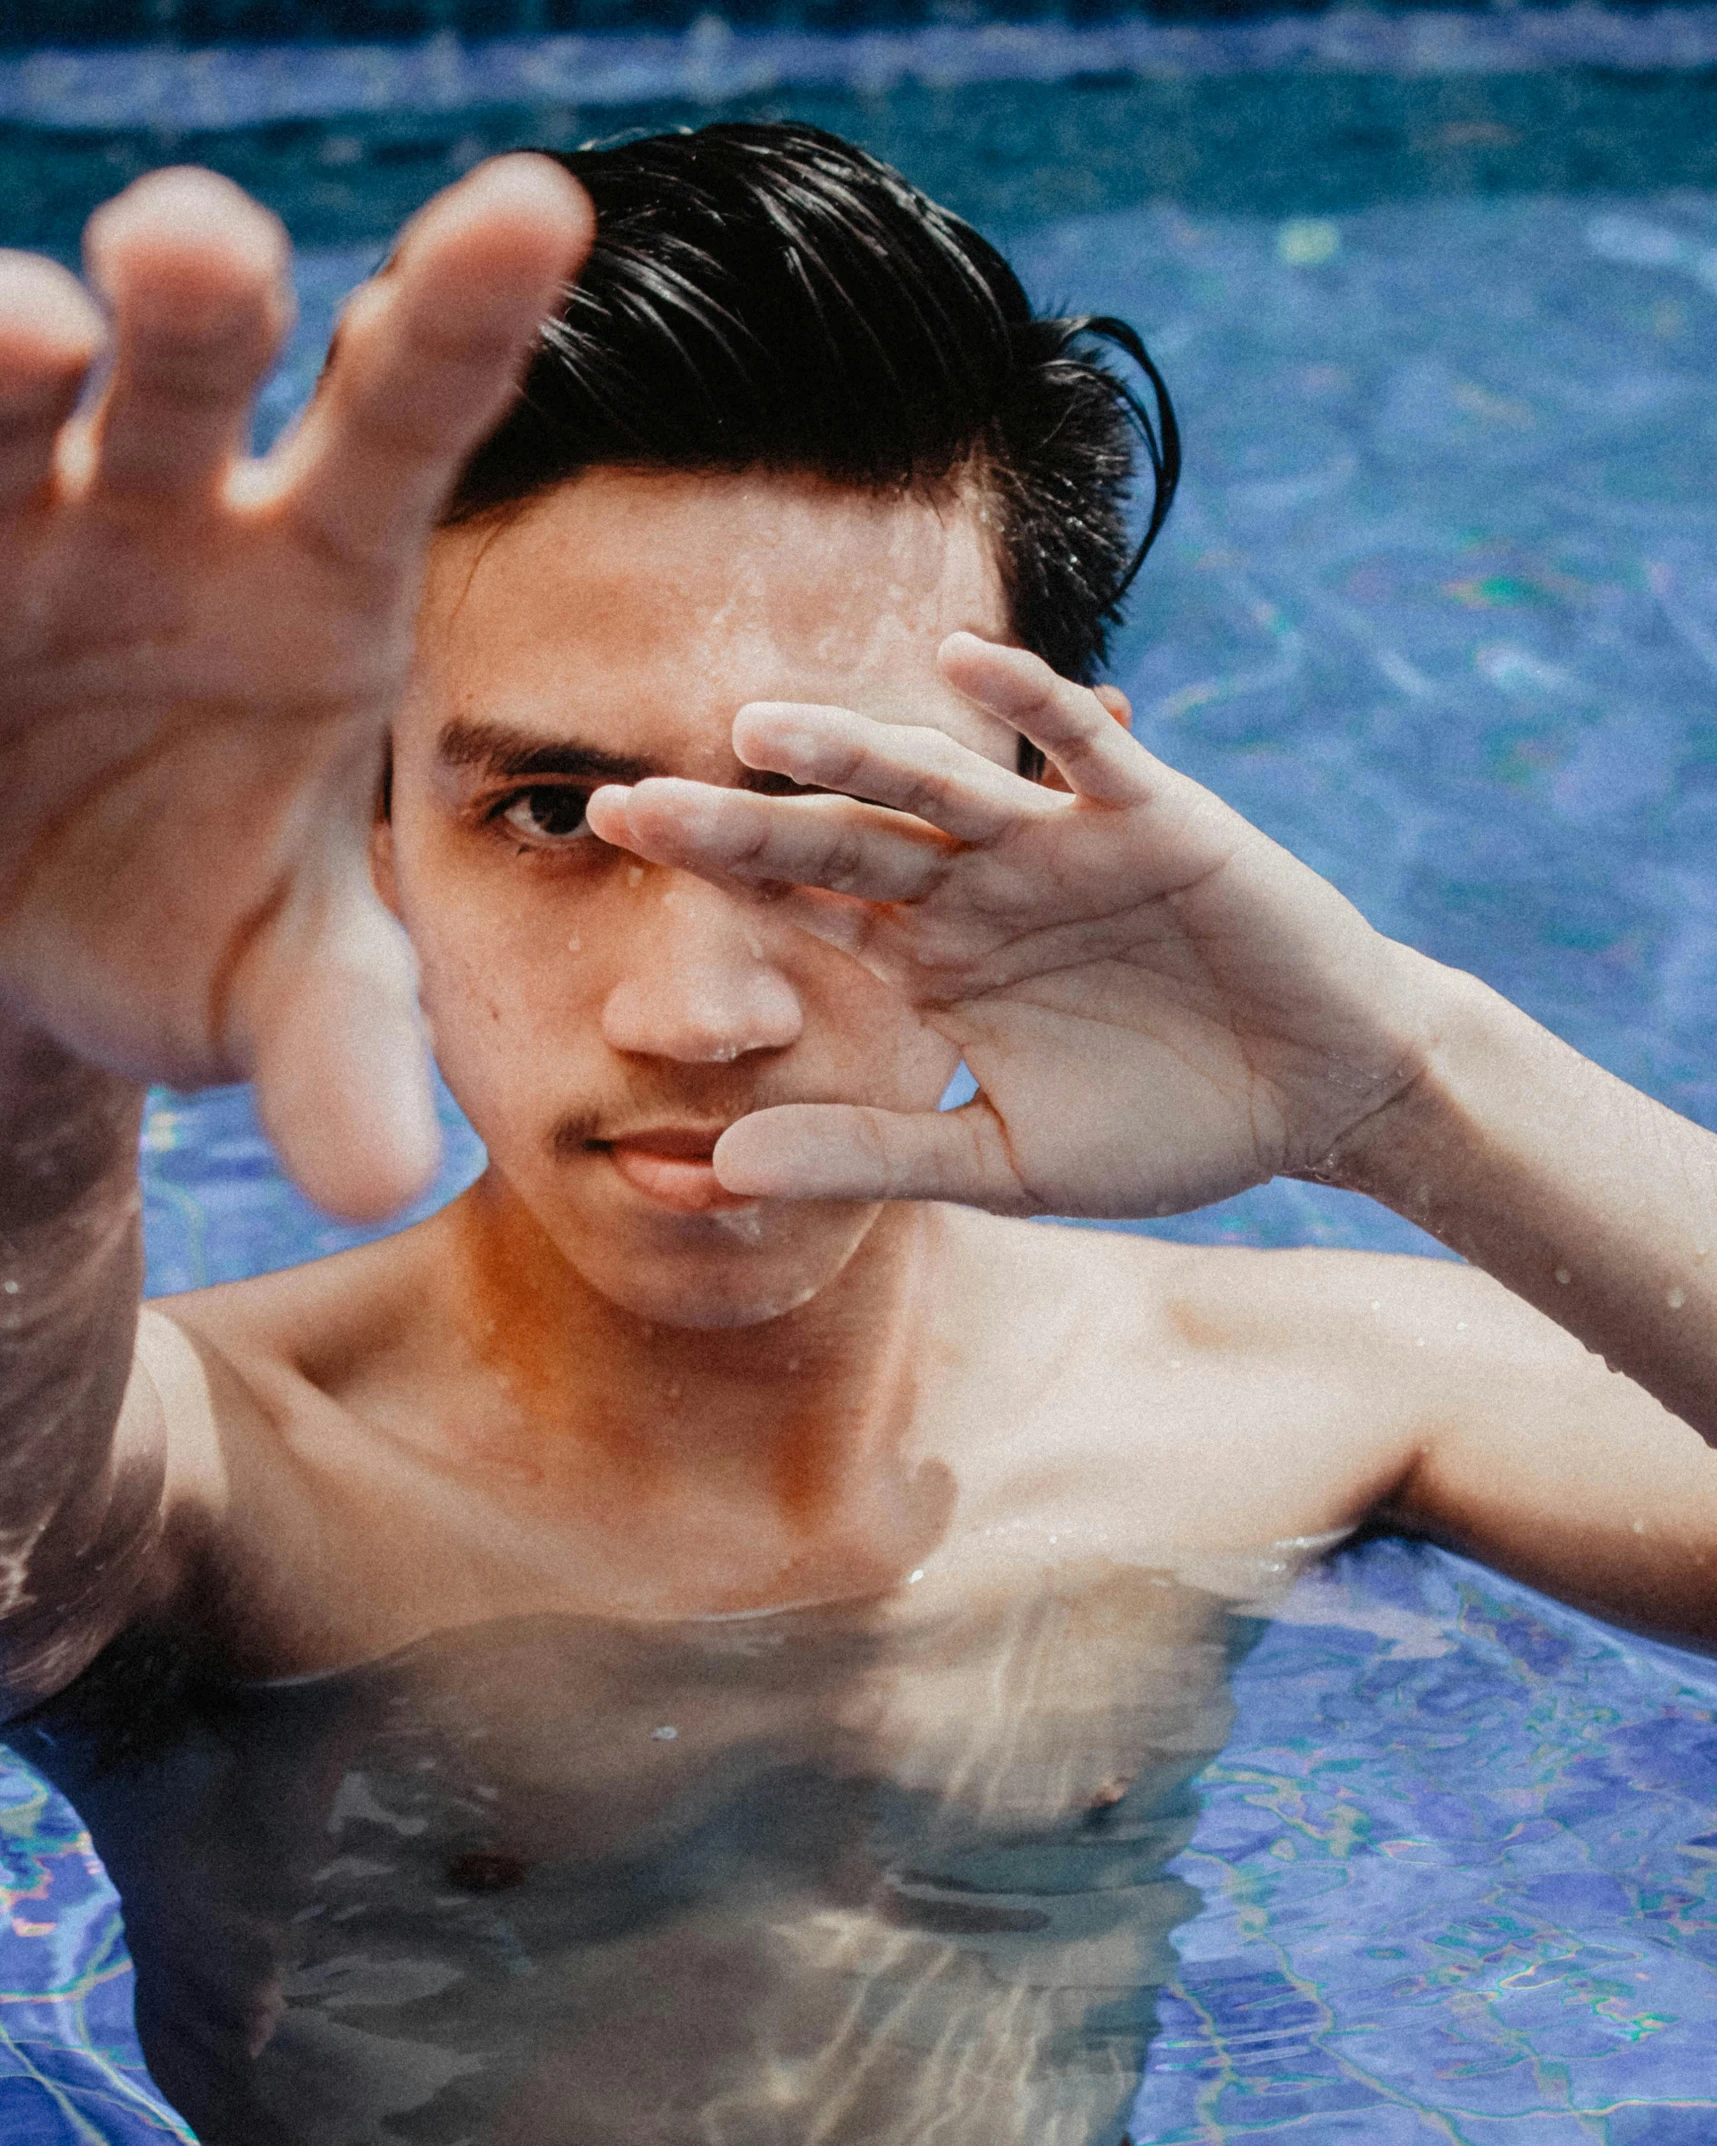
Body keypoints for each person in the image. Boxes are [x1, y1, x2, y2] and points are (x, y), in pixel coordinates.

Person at [0, 120, 1714, 2146]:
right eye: (553, 812)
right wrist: (33, 1038)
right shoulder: (219, 1484)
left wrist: (1396, 1081)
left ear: (1063, 814)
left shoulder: (1308, 1397)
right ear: (371, 822)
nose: (701, 1012)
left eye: (840, 826)